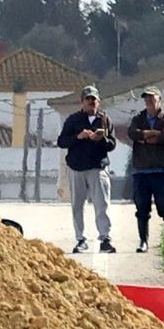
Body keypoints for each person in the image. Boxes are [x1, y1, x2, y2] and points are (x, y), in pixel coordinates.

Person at [56, 85, 116, 253]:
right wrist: (78, 137)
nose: (91, 102)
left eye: (94, 99)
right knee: (77, 204)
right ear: (82, 102)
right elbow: (61, 141)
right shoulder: (73, 120)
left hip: (98, 167)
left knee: (102, 204)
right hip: (77, 167)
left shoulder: (105, 120)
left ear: (99, 102)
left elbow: (112, 144)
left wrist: (100, 139)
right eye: (88, 99)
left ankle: (105, 238)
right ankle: (80, 238)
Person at [127, 85, 164, 253]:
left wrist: (146, 137)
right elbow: (133, 133)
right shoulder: (138, 118)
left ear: (159, 100)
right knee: (142, 208)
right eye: (146, 98)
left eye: (152, 98)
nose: (149, 101)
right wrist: (152, 134)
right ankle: (143, 241)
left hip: (161, 171)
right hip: (141, 171)